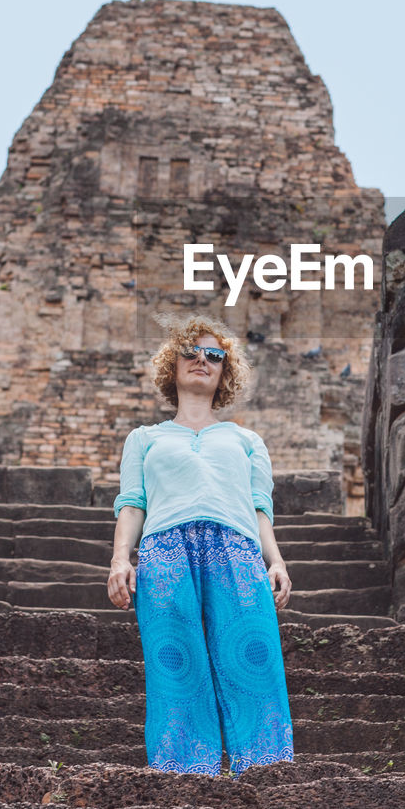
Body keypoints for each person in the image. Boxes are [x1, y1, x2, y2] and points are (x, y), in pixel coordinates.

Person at [107, 314, 294, 776]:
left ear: (224, 372)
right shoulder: (145, 439)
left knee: (253, 657)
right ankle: (186, 778)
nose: (202, 360)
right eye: (191, 352)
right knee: (176, 666)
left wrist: (276, 562)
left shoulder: (246, 440)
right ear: (173, 366)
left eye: (215, 355)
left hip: (236, 550)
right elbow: (132, 504)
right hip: (165, 554)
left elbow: (259, 509)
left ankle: (266, 771)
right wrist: (119, 559)